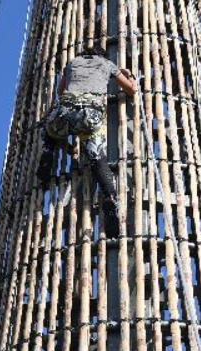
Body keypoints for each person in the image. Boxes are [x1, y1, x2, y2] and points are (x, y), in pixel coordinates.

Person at [36, 45, 138, 237]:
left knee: (49, 131)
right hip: (89, 115)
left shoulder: (72, 63)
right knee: (98, 159)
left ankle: (48, 153)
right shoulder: (107, 64)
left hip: (65, 111)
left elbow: (61, 91)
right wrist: (129, 76)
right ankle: (109, 198)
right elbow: (130, 90)